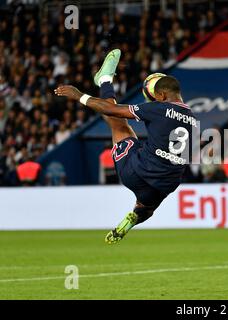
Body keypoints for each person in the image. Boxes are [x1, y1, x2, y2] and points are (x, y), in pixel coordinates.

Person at [54, 49, 196, 244]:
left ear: (162, 95)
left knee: (119, 123)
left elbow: (111, 110)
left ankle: (104, 80)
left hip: (137, 172)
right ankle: (134, 218)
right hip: (166, 183)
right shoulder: (193, 121)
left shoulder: (159, 108)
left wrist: (79, 95)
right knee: (146, 208)